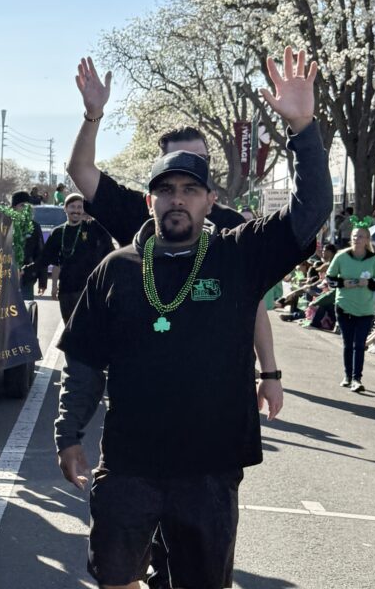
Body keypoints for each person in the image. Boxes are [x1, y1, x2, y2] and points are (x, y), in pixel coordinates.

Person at [55, 45, 330, 589]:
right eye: (166, 190)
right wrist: (69, 432)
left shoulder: (239, 253)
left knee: (197, 586)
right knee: (115, 575)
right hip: (131, 457)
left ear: (209, 201)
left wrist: (304, 131)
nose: (177, 200)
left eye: (190, 190)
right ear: (149, 201)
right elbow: (83, 361)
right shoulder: (117, 269)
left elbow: (311, 213)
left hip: (209, 459)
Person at [66, 70, 286, 421]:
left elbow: (254, 301)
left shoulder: (234, 229)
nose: (185, 177)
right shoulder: (142, 211)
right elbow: (80, 170)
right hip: (145, 391)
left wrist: (270, 373)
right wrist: (93, 115)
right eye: (177, 165)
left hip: (218, 393)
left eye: (199, 163)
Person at [324, 223, 375, 391]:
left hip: (366, 309)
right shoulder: (341, 256)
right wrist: (343, 283)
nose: (357, 239)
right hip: (344, 306)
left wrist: (368, 283)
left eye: (361, 236)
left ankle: (357, 379)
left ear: (367, 240)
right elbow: (330, 278)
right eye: (355, 236)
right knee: (348, 344)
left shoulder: (374, 259)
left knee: (359, 344)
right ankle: (348, 376)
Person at [43, 192, 113, 318]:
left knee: (87, 327)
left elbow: (109, 254)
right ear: (65, 209)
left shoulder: (94, 229)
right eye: (72, 207)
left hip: (88, 291)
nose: (76, 210)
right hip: (66, 291)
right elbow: (54, 263)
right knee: (69, 326)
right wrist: (53, 287)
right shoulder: (59, 232)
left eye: (80, 207)